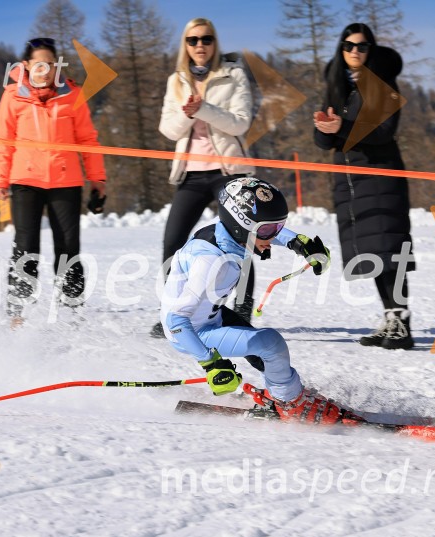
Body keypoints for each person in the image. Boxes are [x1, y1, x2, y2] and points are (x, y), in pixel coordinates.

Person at [160, 177, 352, 423]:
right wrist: (211, 364)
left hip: (211, 315)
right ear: (241, 227)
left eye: (279, 227)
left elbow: (262, 231)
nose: (273, 236)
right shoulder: (209, 262)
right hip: (191, 332)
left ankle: (284, 393)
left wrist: (298, 243)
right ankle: (291, 404)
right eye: (268, 231)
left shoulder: (224, 232)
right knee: (271, 344)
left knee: (264, 355)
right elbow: (176, 320)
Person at [151, 17, 256, 338]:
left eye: (206, 39)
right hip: (192, 173)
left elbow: (240, 123)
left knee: (239, 242)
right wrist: (188, 113)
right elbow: (168, 129)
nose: (200, 45)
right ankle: (173, 312)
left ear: (215, 43)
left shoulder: (233, 74)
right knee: (173, 241)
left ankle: (241, 311)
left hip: (229, 172)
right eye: (193, 40)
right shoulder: (176, 80)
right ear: (185, 45)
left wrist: (203, 108)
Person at [313, 23, 414, 350]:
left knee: (389, 248)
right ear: (340, 49)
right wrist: (324, 129)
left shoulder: (382, 84)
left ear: (371, 49)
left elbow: (384, 131)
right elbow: (323, 141)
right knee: (371, 251)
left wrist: (342, 127)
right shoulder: (337, 86)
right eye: (349, 46)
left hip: (381, 173)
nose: (355, 51)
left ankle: (401, 321)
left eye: (362, 46)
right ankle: (391, 317)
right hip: (349, 178)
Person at [0, 38, 107, 323]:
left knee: (68, 247)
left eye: (51, 64)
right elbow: (3, 140)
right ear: (27, 65)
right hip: (25, 180)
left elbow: (87, 139)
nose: (45, 69)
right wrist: (0, 179)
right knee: (26, 245)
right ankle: (18, 311)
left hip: (65, 180)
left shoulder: (72, 94)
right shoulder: (13, 95)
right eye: (39, 64)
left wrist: (97, 178)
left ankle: (71, 310)